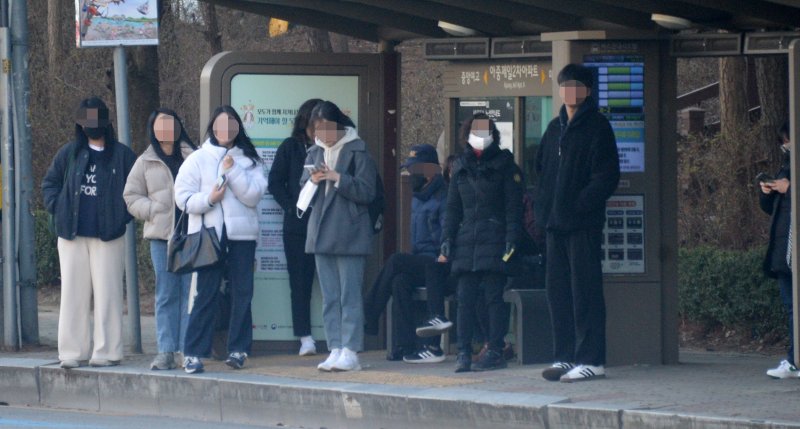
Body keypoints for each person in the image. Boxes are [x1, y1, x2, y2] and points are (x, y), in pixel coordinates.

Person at [535, 64, 620, 383]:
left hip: (582, 225)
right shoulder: (554, 127)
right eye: (565, 85)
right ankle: (564, 356)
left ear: (587, 90)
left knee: (585, 291)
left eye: (576, 86)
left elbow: (607, 177)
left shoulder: (598, 127)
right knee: (558, 292)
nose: (570, 91)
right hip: (554, 225)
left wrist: (578, 206)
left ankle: (592, 359)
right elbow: (540, 168)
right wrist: (545, 210)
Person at [41, 97, 136, 369]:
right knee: (72, 293)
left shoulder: (122, 154)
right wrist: (57, 207)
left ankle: (107, 352)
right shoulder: (68, 153)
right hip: (71, 234)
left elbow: (135, 189)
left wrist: (122, 217)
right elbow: (50, 184)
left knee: (109, 294)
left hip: (109, 234)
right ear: (81, 124)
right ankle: (72, 352)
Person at [174, 105, 268, 374]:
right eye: (220, 125)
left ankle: (238, 350)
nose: (226, 130)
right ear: (212, 128)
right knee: (207, 293)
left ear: (238, 127)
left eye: (231, 124)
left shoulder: (250, 159)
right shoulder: (197, 159)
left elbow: (252, 196)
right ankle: (193, 352)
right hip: (209, 236)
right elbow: (182, 197)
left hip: (243, 236)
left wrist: (233, 170)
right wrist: (209, 200)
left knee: (243, 292)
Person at [439, 113, 524, 373]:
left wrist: (512, 239)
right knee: (465, 298)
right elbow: (452, 208)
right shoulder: (460, 167)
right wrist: (447, 238)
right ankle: (464, 352)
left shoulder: (505, 165)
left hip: (495, 238)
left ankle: (495, 349)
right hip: (467, 240)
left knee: (493, 298)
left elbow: (513, 208)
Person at [301, 100, 378, 372]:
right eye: (317, 129)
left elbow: (368, 191)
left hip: (350, 232)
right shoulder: (313, 153)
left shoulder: (358, 150)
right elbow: (303, 189)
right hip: (321, 232)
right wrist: (312, 180)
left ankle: (351, 350)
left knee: (350, 295)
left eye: (327, 128)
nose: (322, 135)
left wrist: (337, 177)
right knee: (330, 295)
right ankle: (334, 347)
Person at [124, 108, 197, 370]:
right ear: (152, 129)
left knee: (190, 294)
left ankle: (187, 350)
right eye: (160, 125)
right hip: (161, 237)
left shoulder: (194, 156)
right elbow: (131, 196)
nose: (166, 130)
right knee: (166, 294)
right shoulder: (145, 160)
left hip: (192, 234)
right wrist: (152, 210)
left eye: (171, 124)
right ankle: (166, 350)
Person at [363, 144, 450, 364]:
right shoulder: (417, 197)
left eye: (415, 170)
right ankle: (405, 345)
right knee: (399, 281)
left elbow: (447, 235)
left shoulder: (443, 196)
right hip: (422, 260)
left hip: (439, 262)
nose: (411, 175)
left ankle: (369, 314)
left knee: (396, 260)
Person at [268, 99, 323, 357]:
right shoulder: (290, 147)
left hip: (327, 225)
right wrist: (292, 207)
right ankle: (305, 337)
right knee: (299, 283)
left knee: (331, 282)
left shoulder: (333, 148)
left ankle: (339, 336)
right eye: (314, 122)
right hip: (297, 227)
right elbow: (275, 182)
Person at [761, 121, 797, 379]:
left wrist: (790, 189)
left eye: (789, 140)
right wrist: (768, 192)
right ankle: (793, 358)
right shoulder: (787, 165)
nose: (786, 145)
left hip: (791, 248)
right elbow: (771, 210)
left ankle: (795, 359)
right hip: (784, 249)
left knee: (794, 308)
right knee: (790, 307)